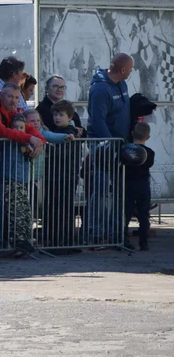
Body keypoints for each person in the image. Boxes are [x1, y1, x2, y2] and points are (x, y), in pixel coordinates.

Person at [0, 84, 45, 255]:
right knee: (0, 206)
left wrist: (37, 141)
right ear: (1, 95)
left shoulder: (15, 111)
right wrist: (30, 138)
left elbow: (32, 130)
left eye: (16, 97)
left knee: (19, 207)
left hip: (11, 171)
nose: (13, 100)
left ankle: (14, 243)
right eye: (10, 96)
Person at [85, 53, 134, 245]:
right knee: (102, 189)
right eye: (130, 68)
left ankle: (117, 233)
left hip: (121, 144)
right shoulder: (100, 89)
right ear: (122, 69)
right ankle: (95, 233)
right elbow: (98, 120)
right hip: (103, 146)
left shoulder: (122, 84)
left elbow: (124, 110)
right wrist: (109, 144)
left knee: (120, 190)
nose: (131, 71)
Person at [33, 102, 79, 248]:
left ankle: (64, 241)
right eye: (55, 115)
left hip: (66, 176)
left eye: (61, 115)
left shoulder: (69, 133)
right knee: (52, 208)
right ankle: (53, 239)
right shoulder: (55, 130)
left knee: (63, 209)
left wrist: (47, 150)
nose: (57, 118)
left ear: (69, 117)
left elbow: (65, 154)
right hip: (54, 176)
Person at [125, 122, 154, 251]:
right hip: (143, 185)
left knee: (126, 213)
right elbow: (149, 165)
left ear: (132, 134)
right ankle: (144, 242)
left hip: (128, 184)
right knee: (143, 214)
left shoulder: (126, 150)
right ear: (148, 137)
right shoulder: (150, 153)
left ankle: (124, 240)